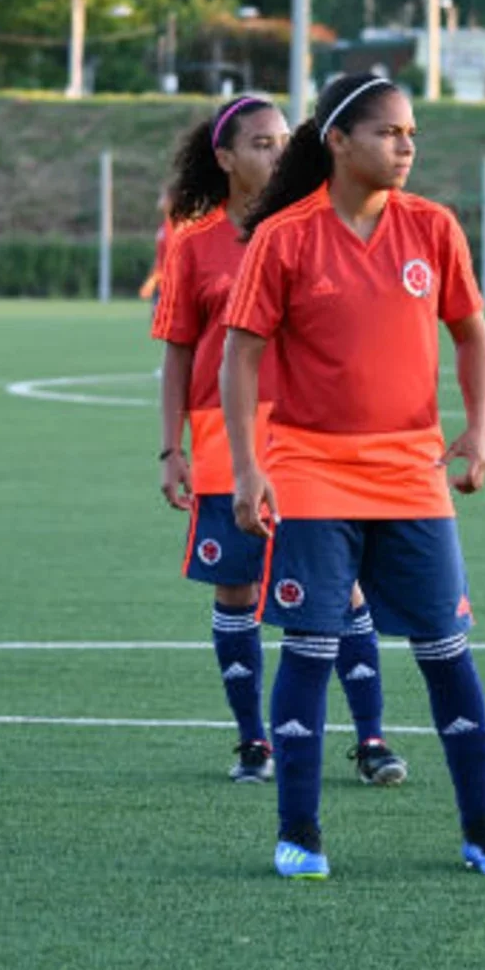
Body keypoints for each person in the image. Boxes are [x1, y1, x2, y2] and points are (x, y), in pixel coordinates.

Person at [220, 73, 485, 879]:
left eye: (413, 134)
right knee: (311, 651)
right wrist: (248, 468)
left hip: (412, 472)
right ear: (339, 141)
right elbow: (240, 355)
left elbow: (473, 336)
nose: (406, 147)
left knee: (448, 652)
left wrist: (481, 428)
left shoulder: (433, 228)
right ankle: (299, 834)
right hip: (311, 472)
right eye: (390, 133)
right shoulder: (284, 239)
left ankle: (484, 831)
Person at [152, 95, 408, 787]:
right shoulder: (193, 246)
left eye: (283, 140)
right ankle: (252, 744)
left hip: (308, 441)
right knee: (235, 593)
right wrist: (170, 449)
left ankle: (373, 739)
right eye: (260, 143)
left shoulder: (316, 228)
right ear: (226, 158)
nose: (276, 151)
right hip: (220, 443)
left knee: (342, 589)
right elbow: (178, 351)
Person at [140, 188, 175, 308]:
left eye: (164, 196)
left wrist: (152, 282)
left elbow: (170, 260)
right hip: (162, 287)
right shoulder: (164, 227)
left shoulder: (174, 228)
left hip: (171, 289)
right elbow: (159, 258)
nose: (160, 199)